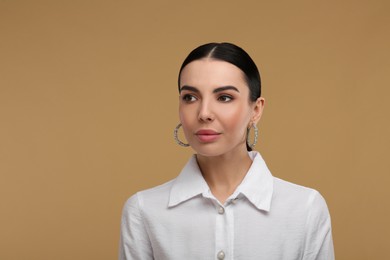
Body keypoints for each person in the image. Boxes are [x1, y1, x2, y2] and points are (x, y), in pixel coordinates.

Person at [119, 42, 335, 260]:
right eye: (190, 97)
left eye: (224, 98)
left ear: (256, 110)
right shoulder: (144, 210)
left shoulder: (304, 209)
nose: (204, 113)